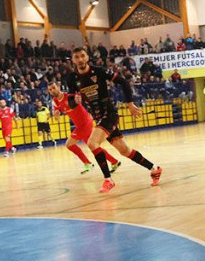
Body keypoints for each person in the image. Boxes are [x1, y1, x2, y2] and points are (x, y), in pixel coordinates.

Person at [63, 47, 161, 193]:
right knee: (125, 150)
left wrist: (130, 104)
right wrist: (74, 101)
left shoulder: (99, 71)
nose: (80, 59)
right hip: (98, 117)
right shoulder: (72, 78)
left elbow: (124, 82)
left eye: (82, 56)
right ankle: (154, 169)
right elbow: (71, 101)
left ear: (87, 57)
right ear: (73, 60)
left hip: (109, 114)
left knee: (92, 142)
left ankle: (108, 180)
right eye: (77, 57)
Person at [48, 81, 119, 174]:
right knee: (94, 147)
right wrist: (56, 114)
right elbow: (56, 113)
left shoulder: (70, 96)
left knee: (69, 144)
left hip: (85, 123)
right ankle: (114, 161)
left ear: (58, 87)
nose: (52, 90)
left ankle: (87, 163)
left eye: (53, 88)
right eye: (50, 89)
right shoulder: (55, 101)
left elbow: (79, 99)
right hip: (80, 125)